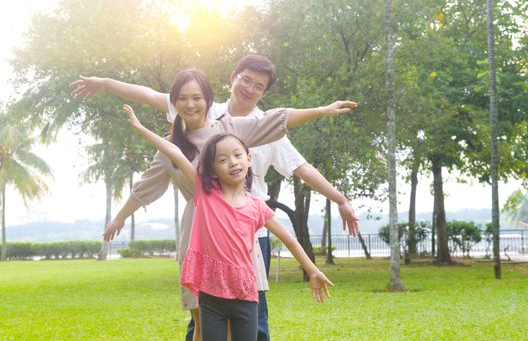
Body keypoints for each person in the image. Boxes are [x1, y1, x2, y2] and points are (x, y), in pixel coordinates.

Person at [71, 54, 360, 341]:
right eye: (182, 99)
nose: (190, 104)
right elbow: (145, 182)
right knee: (200, 322)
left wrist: (321, 110)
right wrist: (120, 217)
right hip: (198, 234)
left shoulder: (229, 127)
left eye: (197, 98)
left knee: (247, 321)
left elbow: (280, 121)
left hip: (241, 233)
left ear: (207, 99)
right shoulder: (173, 144)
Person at [120, 104, 333, 341]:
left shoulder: (256, 206)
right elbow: (175, 154)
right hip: (212, 298)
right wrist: (140, 128)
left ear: (249, 159)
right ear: (212, 169)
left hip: (245, 296)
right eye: (222, 159)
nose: (232, 162)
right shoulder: (205, 194)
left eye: (237, 155)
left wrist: (312, 270)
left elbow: (288, 240)